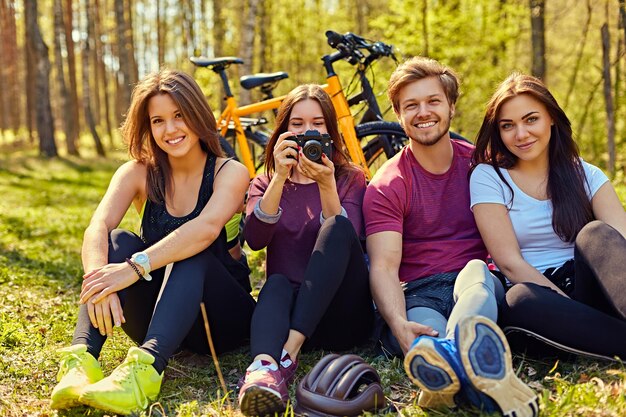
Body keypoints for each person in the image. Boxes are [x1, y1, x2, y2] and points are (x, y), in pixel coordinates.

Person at [50, 69, 256, 415]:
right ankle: (81, 362)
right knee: (116, 241)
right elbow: (97, 226)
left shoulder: (229, 171)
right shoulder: (138, 173)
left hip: (222, 323)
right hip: (166, 317)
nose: (171, 129)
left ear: (197, 114)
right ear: (147, 127)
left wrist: (134, 267)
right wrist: (97, 278)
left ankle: (144, 373)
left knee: (192, 250)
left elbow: (205, 230)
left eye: (179, 116)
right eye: (158, 120)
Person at [363, 57, 538, 416]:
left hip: (479, 284)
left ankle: (450, 369)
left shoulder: (481, 166)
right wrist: (398, 324)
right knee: (430, 343)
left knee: (475, 272)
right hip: (419, 293)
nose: (423, 112)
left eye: (433, 101)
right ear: (398, 114)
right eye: (411, 105)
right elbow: (383, 265)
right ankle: (472, 376)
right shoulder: (387, 185)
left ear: (451, 106)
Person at [237, 84, 374, 417]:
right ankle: (265, 369)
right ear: (283, 131)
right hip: (290, 312)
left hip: (342, 316)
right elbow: (254, 241)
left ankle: (288, 354)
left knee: (337, 226)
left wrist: (326, 185)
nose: (307, 132)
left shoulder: (350, 179)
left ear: (330, 130)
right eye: (297, 124)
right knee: (276, 283)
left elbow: (348, 238)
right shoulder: (264, 182)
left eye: (317, 123)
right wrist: (279, 179)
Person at [470, 72, 626, 360]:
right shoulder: (489, 177)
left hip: (593, 290)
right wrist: (569, 308)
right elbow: (509, 263)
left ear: (551, 118)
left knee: (596, 234)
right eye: (508, 126)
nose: (521, 134)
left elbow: (619, 244)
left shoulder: (585, 173)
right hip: (544, 302)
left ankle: (602, 337)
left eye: (531, 119)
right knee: (518, 298)